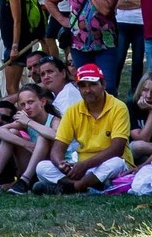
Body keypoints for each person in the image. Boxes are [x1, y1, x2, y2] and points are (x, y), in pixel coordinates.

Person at [33, 63, 131, 192]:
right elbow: (58, 148)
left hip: (109, 164)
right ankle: (89, 185)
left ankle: (73, 187)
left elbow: (117, 149)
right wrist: (61, 164)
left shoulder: (118, 107)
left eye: (92, 84)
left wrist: (85, 165)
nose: (88, 90)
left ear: (103, 84)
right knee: (42, 167)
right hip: (82, 167)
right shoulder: (73, 111)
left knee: (116, 163)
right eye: (83, 86)